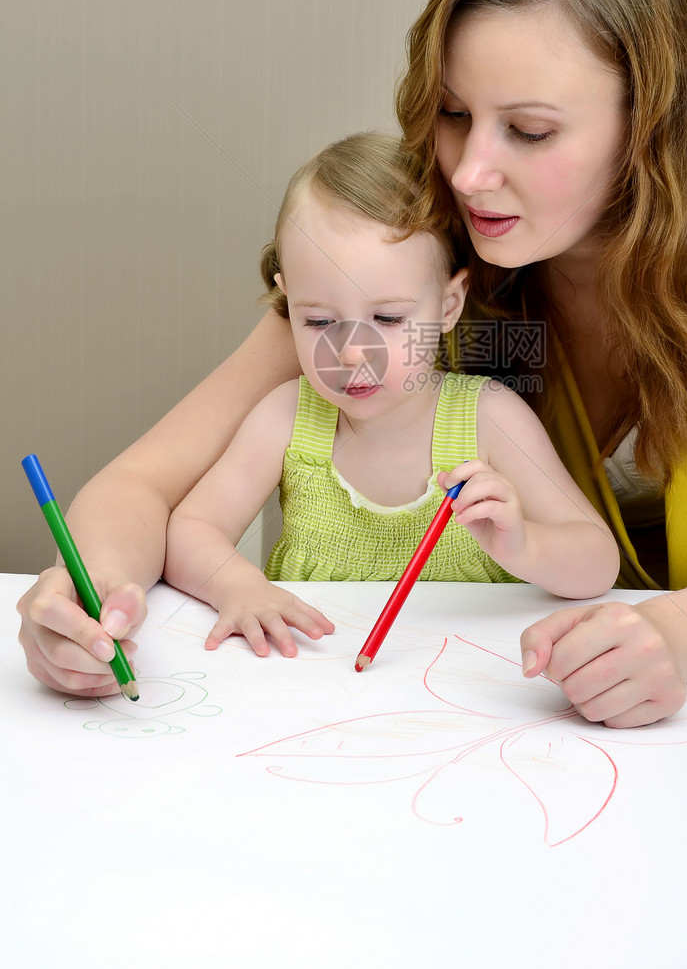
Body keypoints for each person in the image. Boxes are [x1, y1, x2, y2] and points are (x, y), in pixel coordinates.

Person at [18, 0, 687, 729]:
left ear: (651, 127)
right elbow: (143, 481)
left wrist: (679, 632)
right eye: (455, 114)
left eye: (529, 130)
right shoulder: (421, 230)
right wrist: (91, 600)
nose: (468, 173)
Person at [161, 132, 617, 654]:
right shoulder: (286, 417)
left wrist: (525, 544)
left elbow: (599, 562)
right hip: (316, 687)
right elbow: (190, 529)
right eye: (319, 320)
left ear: (448, 306)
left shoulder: (489, 418)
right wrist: (235, 586)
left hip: (466, 690)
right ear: (288, 301)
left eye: (387, 318)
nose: (352, 352)